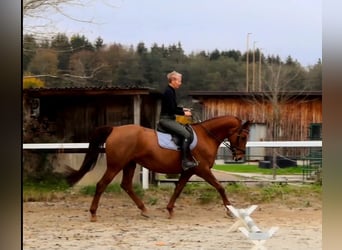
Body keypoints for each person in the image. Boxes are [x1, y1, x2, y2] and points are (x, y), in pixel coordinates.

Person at [159, 71, 197, 170]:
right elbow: (172, 110)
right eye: (179, 81)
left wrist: (184, 109)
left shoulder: (171, 90)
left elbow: (173, 107)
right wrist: (185, 113)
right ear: (173, 80)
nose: (180, 83)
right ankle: (185, 161)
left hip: (170, 118)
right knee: (187, 134)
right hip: (166, 120)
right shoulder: (169, 92)